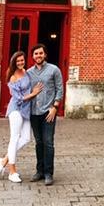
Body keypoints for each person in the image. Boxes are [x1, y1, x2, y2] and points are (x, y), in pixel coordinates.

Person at [0, 51, 44, 183]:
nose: (20, 63)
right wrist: (33, 94)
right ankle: (12, 171)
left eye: (22, 60)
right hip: (16, 109)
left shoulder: (26, 72)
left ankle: (4, 160)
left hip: (26, 110)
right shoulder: (12, 77)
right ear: (13, 62)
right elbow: (19, 98)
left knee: (26, 138)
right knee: (14, 138)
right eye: (18, 61)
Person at [27, 44, 64, 186]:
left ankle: (49, 173)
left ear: (45, 55)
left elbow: (59, 89)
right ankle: (39, 171)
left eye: (41, 53)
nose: (38, 56)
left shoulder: (54, 70)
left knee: (48, 142)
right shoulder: (29, 73)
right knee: (39, 142)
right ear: (33, 56)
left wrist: (55, 107)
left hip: (49, 112)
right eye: (36, 54)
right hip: (34, 112)